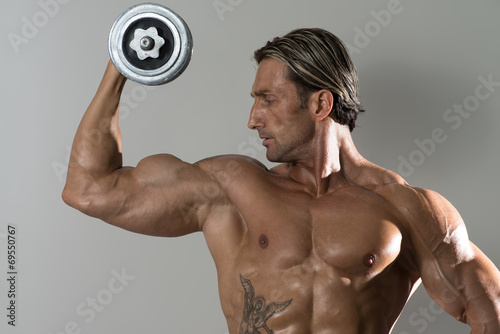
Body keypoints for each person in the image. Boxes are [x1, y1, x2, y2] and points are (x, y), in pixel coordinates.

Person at [62, 28, 500, 333]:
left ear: (321, 104)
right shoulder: (230, 188)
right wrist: (120, 66)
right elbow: (89, 189)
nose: (253, 119)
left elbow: (489, 309)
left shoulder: (405, 207)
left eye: (268, 100)